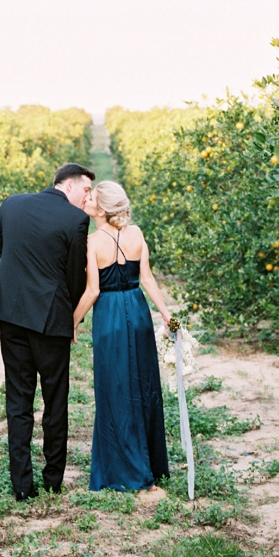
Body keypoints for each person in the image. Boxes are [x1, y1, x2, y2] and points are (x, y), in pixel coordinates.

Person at [0, 163, 93, 501]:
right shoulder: (75, 221)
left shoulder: (12, 203)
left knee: (18, 400)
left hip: (11, 316)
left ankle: (22, 487)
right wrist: (71, 318)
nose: (88, 199)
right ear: (68, 186)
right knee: (55, 401)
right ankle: (53, 480)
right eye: (86, 190)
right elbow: (75, 276)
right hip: (51, 321)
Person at [73, 180, 176, 494]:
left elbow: (93, 290)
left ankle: (122, 469)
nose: (87, 199)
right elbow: (146, 278)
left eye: (92, 198)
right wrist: (165, 313)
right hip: (137, 310)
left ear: (101, 210)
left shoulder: (92, 242)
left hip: (109, 317)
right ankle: (151, 465)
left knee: (114, 388)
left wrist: (72, 322)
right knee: (144, 387)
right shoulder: (137, 234)